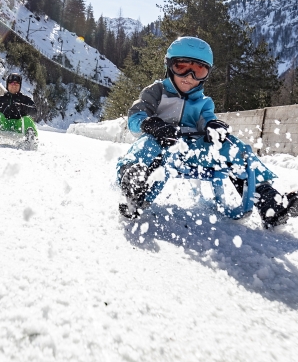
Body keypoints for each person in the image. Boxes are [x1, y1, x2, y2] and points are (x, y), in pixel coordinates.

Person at [117, 36, 298, 227]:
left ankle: (269, 201)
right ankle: (133, 184)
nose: (189, 77)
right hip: (162, 146)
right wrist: (150, 124)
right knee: (146, 145)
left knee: (234, 147)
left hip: (195, 151)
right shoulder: (156, 91)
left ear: (206, 75)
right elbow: (135, 118)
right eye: (182, 67)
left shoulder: (203, 102)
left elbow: (207, 120)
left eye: (198, 71)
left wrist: (214, 126)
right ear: (169, 66)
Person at [0, 72, 38, 145]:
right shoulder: (0, 100)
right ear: (7, 85)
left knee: (27, 119)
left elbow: (34, 112)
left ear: (20, 86)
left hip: (18, 126)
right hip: (3, 124)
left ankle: (31, 139)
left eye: (16, 84)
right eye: (11, 83)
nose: (14, 86)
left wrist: (23, 107)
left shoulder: (25, 100)